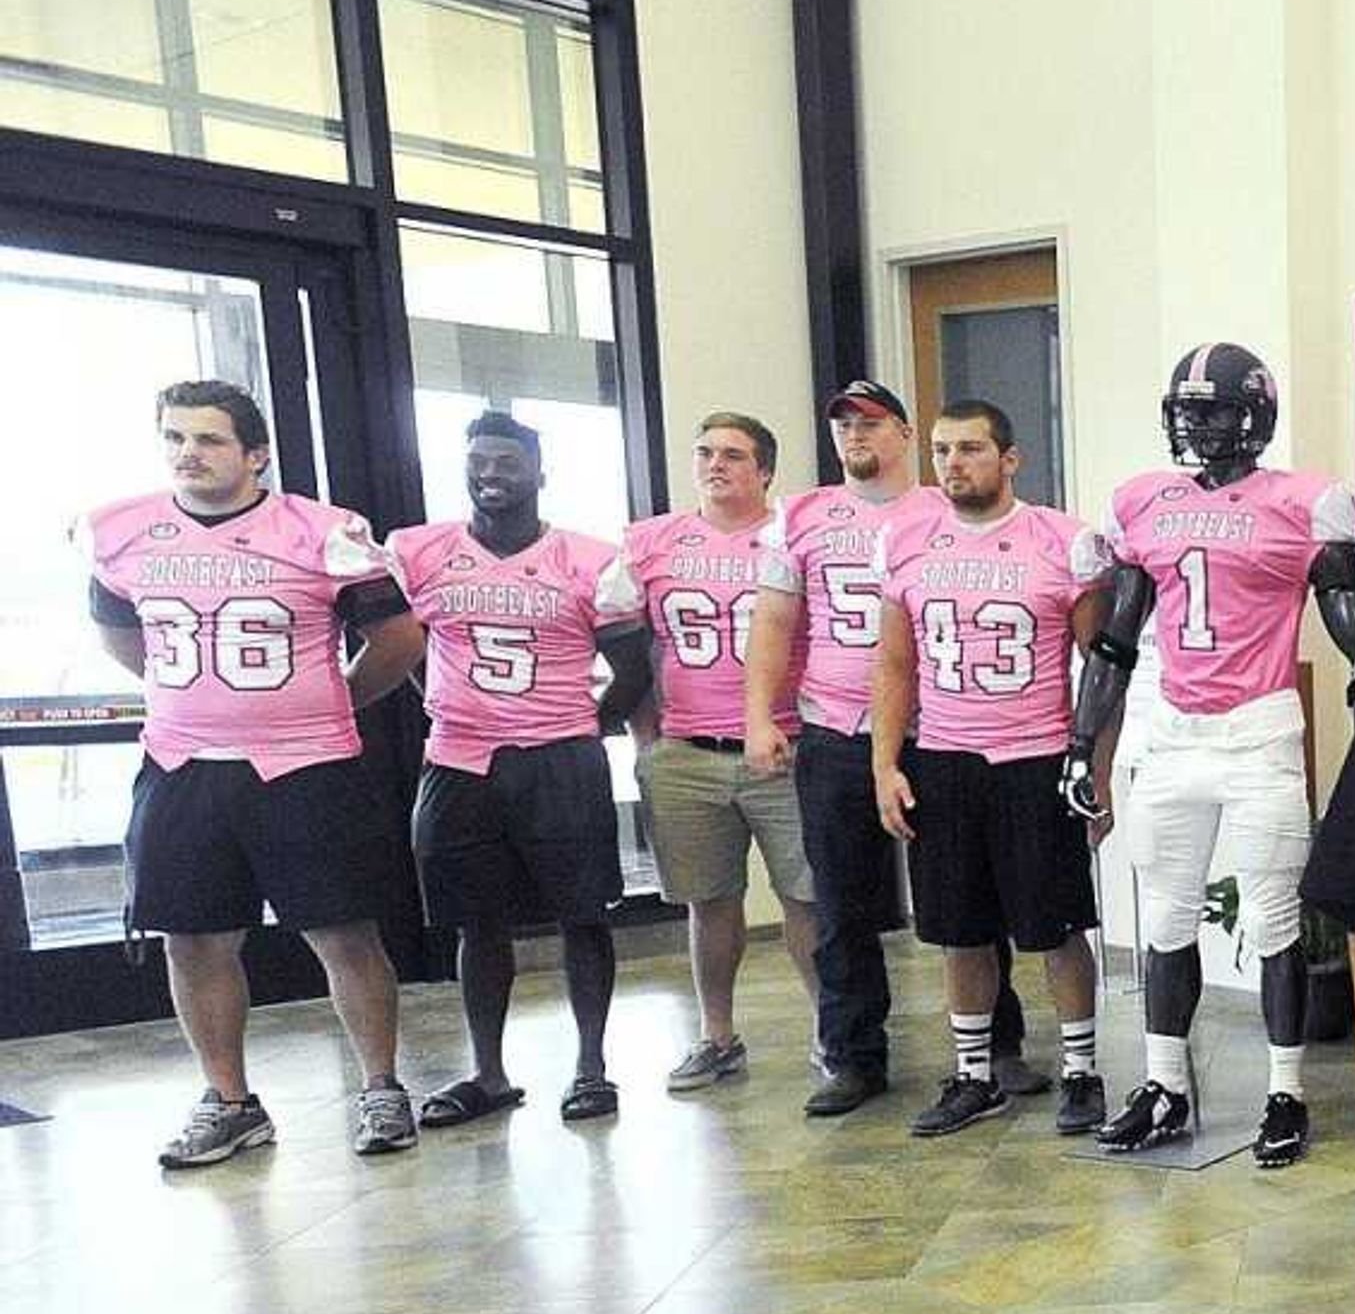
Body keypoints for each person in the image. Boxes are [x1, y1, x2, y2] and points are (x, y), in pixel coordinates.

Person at [78, 379, 423, 1165]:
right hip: (181, 761)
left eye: (208, 440)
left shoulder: (321, 531)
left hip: (304, 764)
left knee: (343, 932)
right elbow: (118, 633)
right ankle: (229, 1101)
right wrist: (196, 702)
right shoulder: (123, 531)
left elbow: (398, 641)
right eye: (174, 438)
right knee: (192, 939)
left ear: (256, 454)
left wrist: (330, 703)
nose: (187, 454)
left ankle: (380, 1087)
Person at [1069, 342, 1355, 1167]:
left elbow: (1346, 593)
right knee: (1167, 919)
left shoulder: (1304, 501)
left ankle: (1287, 1091)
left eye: (1211, 409)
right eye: (1185, 410)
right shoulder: (1143, 501)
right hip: (1172, 732)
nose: (1194, 425)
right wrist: (1081, 741)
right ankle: (1165, 1084)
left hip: (1257, 730)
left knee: (1277, 923)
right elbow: (1116, 639)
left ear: (1255, 414)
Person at [746, 379, 1036, 1118]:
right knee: (838, 900)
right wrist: (759, 716)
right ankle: (853, 1055)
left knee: (971, 895)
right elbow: (775, 624)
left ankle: (998, 1046)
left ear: (904, 435)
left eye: (871, 424)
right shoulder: (800, 517)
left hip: (937, 733)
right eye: (843, 425)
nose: (855, 438)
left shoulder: (947, 509)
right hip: (837, 731)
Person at [385, 416, 652, 1125]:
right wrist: (452, 708)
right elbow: (402, 652)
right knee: (476, 922)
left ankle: (591, 1066)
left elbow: (632, 669)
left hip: (560, 756)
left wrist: (581, 726)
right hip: (460, 759)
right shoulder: (419, 552)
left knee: (584, 914)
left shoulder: (590, 560)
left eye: (507, 461)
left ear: (540, 471)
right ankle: (490, 1072)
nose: (490, 475)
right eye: (477, 462)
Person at [869, 400, 1113, 1138]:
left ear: (1010, 459)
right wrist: (885, 763)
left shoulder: (1064, 541)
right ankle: (974, 1075)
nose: (952, 464)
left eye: (970, 449)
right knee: (959, 929)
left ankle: (1081, 1070)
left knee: (1057, 927)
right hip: (945, 757)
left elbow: (1099, 669)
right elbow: (894, 663)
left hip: (1034, 759)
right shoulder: (906, 539)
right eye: (941, 450)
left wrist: (1094, 771)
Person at [622, 411, 820, 1092]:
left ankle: (833, 1032)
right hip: (687, 748)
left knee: (807, 897)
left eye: (733, 455)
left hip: (785, 744)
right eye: (706, 452)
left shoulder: (793, 536)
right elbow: (631, 649)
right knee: (708, 900)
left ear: (764, 470)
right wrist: (647, 740)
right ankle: (717, 1035)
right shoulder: (651, 542)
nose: (716, 465)